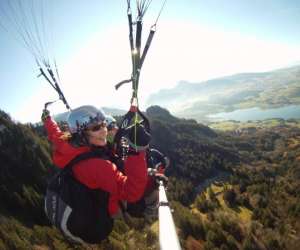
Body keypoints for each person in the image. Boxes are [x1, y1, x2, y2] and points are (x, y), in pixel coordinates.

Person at [43, 105, 151, 244]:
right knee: (146, 189)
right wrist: (136, 150)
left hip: (83, 192)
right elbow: (132, 192)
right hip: (105, 210)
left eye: (104, 124)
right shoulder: (100, 167)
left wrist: (47, 119)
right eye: (96, 128)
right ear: (81, 133)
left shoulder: (67, 144)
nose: (104, 131)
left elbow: (55, 134)